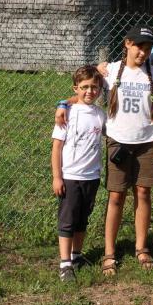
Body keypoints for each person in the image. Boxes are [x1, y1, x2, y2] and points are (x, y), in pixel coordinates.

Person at [57, 26, 153, 276]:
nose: (143, 52)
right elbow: (86, 91)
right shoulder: (111, 72)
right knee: (116, 195)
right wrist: (62, 104)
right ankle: (110, 252)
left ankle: (141, 247)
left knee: (143, 193)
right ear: (127, 44)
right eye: (139, 46)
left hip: (148, 141)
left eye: (148, 47)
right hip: (118, 141)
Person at [51, 65, 106, 282]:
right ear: (75, 88)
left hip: (92, 177)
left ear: (100, 89)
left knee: (83, 218)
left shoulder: (101, 115)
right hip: (70, 176)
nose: (89, 91)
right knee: (67, 220)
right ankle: (65, 264)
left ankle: (77, 255)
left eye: (94, 87)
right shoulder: (67, 114)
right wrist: (57, 177)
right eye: (84, 87)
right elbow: (56, 147)